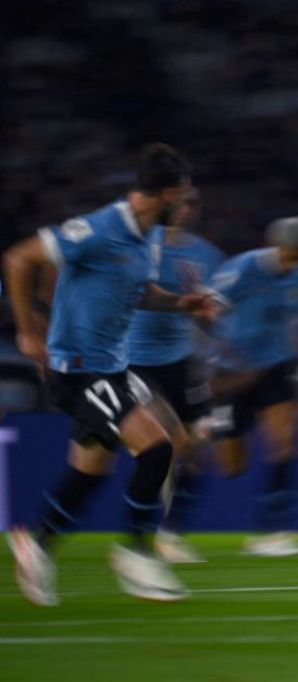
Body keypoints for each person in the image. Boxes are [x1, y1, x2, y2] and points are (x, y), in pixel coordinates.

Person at [4, 143, 214, 605]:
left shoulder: (148, 236)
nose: (182, 208)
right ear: (164, 193)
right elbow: (19, 259)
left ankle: (36, 545)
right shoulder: (98, 230)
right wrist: (27, 331)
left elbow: (139, 291)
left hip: (112, 368)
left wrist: (181, 303)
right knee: (157, 447)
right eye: (180, 198)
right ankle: (137, 555)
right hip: (77, 369)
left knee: (92, 469)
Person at [206, 216, 298, 557]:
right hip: (231, 371)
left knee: (285, 442)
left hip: (276, 365)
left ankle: (272, 531)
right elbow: (204, 315)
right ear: (278, 246)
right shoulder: (242, 270)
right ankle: (203, 428)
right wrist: (220, 363)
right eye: (293, 253)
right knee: (231, 466)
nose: (297, 261)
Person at [126, 186, 225, 564]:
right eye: (181, 202)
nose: (187, 210)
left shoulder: (207, 255)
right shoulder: (140, 244)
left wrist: (211, 319)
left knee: (202, 447)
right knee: (172, 443)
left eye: (194, 204)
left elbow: (214, 311)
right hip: (135, 359)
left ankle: (172, 533)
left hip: (182, 361)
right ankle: (140, 538)